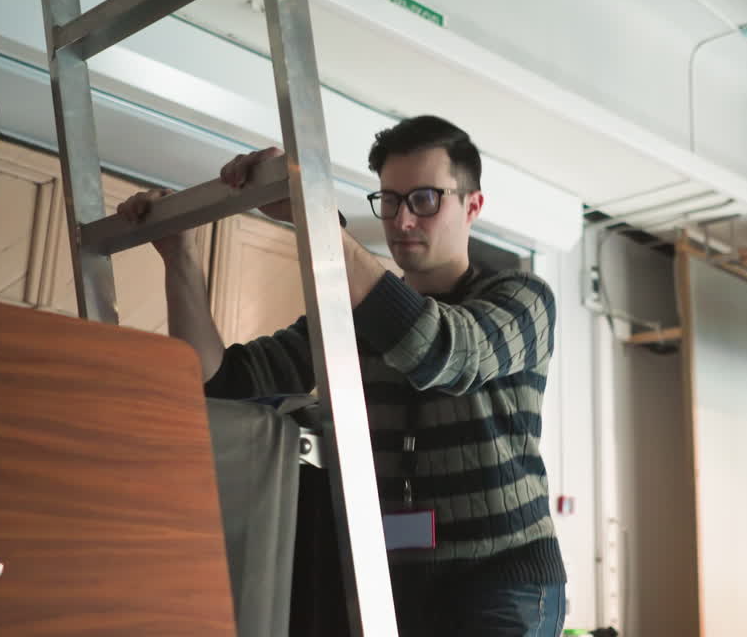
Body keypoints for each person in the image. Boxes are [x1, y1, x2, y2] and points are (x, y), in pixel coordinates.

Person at [118, 115, 566, 636]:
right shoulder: (355, 317)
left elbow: (444, 353)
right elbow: (221, 386)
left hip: (500, 584)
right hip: (391, 580)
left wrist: (318, 226)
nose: (401, 221)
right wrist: (180, 257)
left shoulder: (524, 299)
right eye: (391, 201)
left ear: (472, 205)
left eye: (424, 200)